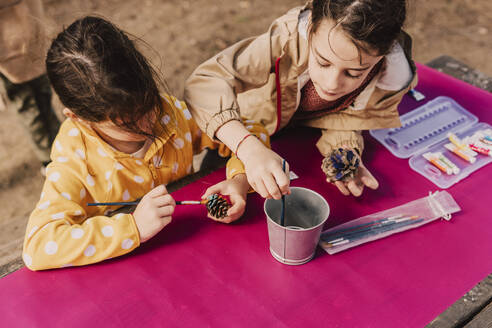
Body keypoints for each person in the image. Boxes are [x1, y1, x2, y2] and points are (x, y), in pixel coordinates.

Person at [22, 16, 269, 271]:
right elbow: (38, 245)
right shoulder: (75, 163)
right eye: (128, 124)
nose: (149, 123)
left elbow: (252, 134)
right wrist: (132, 227)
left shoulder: (169, 113)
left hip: (193, 255)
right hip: (128, 273)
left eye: (149, 105)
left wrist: (240, 180)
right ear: (78, 117)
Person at [184, 0, 417, 198]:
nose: (331, 84)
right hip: (235, 139)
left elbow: (345, 115)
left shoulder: (388, 80)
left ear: (383, 56)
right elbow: (206, 81)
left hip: (297, 147)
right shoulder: (286, 40)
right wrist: (247, 147)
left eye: (353, 73)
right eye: (323, 62)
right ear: (311, 28)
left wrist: (344, 150)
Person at [0, 0, 60, 168]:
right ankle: (51, 160)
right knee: (29, 103)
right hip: (10, 42)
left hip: (23, 29)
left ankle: (57, 155)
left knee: (39, 96)